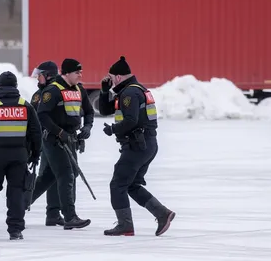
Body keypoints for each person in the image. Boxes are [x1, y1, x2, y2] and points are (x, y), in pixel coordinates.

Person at [99, 56, 175, 236]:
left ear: (117, 77)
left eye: (110, 77)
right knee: (131, 185)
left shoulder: (130, 93)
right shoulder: (131, 90)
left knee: (117, 184)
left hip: (137, 146)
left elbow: (131, 120)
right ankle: (162, 213)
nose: (109, 80)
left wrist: (113, 129)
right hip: (146, 145)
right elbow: (105, 111)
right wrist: (103, 92)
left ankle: (125, 225)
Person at [0, 71, 42, 240]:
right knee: (16, 191)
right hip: (20, 155)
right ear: (16, 87)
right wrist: (35, 155)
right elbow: (36, 133)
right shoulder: (25, 106)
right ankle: (15, 229)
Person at [30, 58, 93, 230]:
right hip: (52, 140)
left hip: (70, 139)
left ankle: (22, 205)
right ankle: (69, 216)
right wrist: (59, 132)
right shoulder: (50, 91)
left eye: (81, 72)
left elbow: (88, 111)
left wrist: (87, 127)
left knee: (51, 177)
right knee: (66, 175)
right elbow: (40, 117)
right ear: (66, 73)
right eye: (77, 72)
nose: (80, 75)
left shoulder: (79, 89)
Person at [27, 60, 65, 226]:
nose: (38, 79)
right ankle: (22, 204)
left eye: (40, 75)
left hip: (59, 139)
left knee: (55, 176)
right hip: (44, 141)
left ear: (49, 76)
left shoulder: (58, 92)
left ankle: (53, 213)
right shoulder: (38, 94)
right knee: (48, 176)